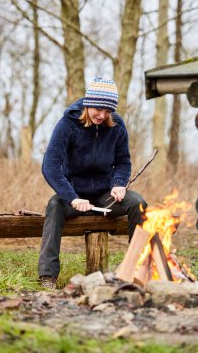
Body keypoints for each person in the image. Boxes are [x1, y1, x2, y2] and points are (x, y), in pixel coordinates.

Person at [38, 77, 147, 289]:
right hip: (73, 194)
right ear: (88, 103)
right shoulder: (67, 125)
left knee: (138, 203)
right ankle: (47, 276)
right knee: (53, 206)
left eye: (108, 111)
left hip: (104, 196)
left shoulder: (117, 125)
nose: (102, 115)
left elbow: (123, 161)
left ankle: (137, 268)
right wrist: (72, 198)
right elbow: (50, 166)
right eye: (98, 109)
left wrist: (118, 183)